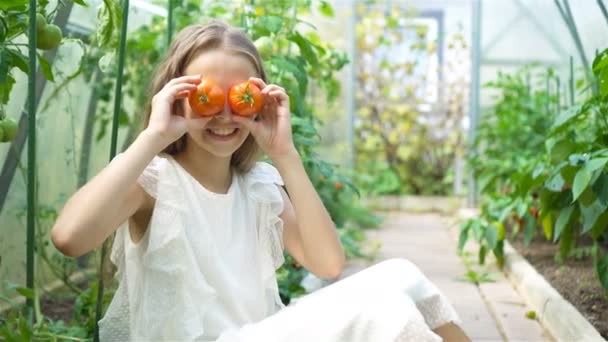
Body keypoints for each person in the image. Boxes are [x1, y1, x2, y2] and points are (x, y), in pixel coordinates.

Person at [51, 20, 470, 342]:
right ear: (175, 97)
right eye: (207, 98)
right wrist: (155, 136)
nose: (225, 116)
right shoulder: (156, 182)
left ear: (258, 104)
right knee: (382, 309)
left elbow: (328, 264)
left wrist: (284, 154)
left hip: (261, 334)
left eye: (240, 99)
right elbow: (70, 237)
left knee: (401, 274)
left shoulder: (257, 185)